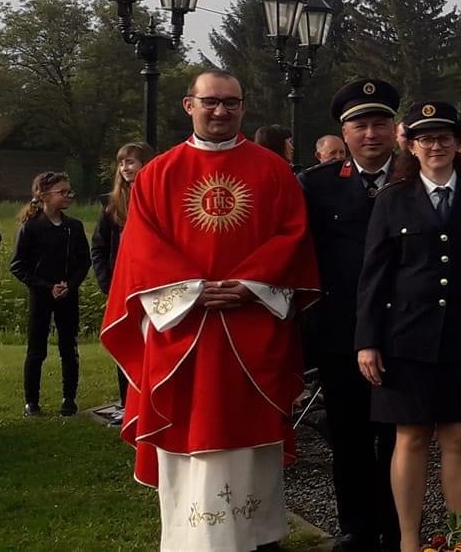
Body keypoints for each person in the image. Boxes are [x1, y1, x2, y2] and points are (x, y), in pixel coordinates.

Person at [100, 68, 321, 552]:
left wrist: (248, 286)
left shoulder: (273, 171)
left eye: (231, 102)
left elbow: (292, 235)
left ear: (244, 107)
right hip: (184, 332)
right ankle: (193, 537)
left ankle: (257, 536)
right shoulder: (158, 173)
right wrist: (193, 290)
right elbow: (142, 248)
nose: (221, 111)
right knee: (189, 429)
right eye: (210, 102)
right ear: (189, 105)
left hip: (252, 324)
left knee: (249, 431)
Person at [357, 99, 461, 551]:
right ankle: (409, 541)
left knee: (460, 437)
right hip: (405, 339)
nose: (435, 146)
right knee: (410, 437)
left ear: (457, 142)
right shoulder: (392, 199)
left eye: (444, 137)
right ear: (411, 146)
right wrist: (367, 341)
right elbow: (374, 276)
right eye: (425, 139)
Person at [299, 79, 405, 552]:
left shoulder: (416, 175)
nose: (371, 134)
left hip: (403, 330)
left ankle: (399, 526)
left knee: (401, 436)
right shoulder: (317, 185)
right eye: (360, 125)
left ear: (394, 128)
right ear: (344, 133)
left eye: (379, 123)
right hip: (341, 332)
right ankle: (357, 527)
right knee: (349, 435)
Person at [9, 171, 90, 418]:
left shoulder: (74, 227)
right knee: (36, 349)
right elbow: (18, 266)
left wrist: (70, 285)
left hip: (68, 295)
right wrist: (46, 287)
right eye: (62, 192)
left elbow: (84, 262)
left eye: (69, 191)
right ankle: (31, 401)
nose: (68, 196)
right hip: (41, 296)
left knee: (69, 347)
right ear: (44, 196)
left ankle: (69, 399)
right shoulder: (31, 228)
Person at [93, 142, 152, 412]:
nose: (125, 168)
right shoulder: (112, 204)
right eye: (121, 163)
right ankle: (128, 405)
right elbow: (99, 247)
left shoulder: (158, 196)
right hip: (122, 285)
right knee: (125, 340)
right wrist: (108, 284)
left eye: (130, 162)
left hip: (151, 283)